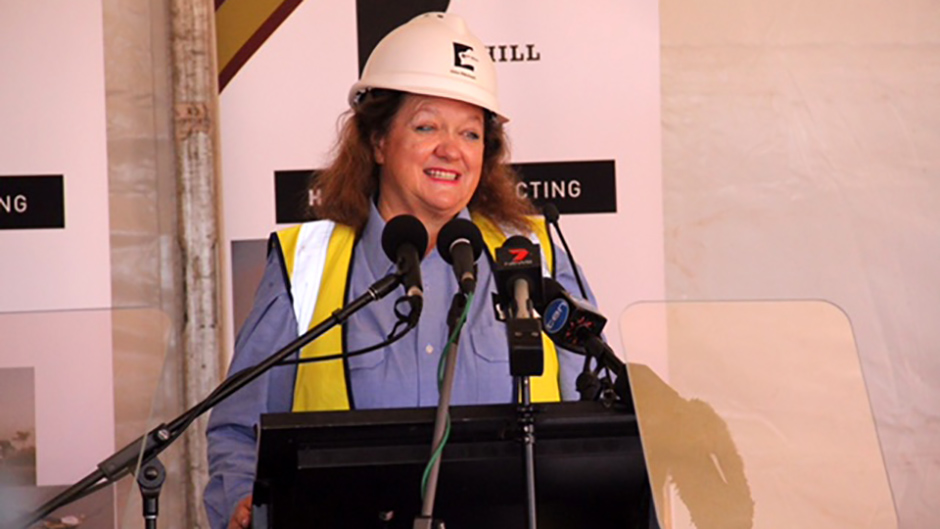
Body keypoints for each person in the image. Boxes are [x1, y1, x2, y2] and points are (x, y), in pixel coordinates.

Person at [204, 12, 600, 529]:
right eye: (426, 126)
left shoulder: (533, 255)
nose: (450, 150)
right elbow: (238, 432)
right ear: (377, 141)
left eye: (471, 133)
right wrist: (240, 502)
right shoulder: (308, 260)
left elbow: (599, 422)